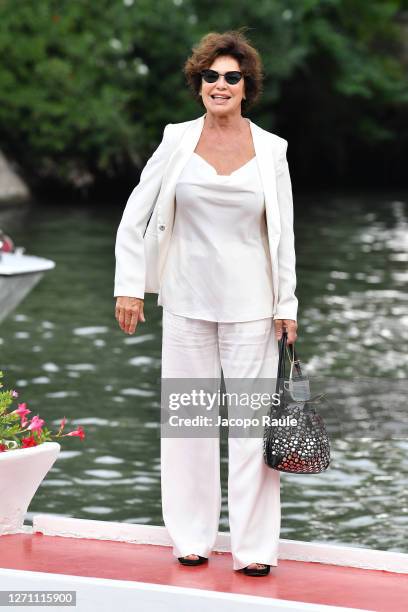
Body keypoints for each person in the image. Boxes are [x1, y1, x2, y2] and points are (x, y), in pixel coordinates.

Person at [114, 30, 298, 577]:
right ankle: (191, 539)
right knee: (188, 426)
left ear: (247, 87)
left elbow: (283, 235)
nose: (220, 85)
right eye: (210, 76)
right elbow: (135, 213)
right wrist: (130, 285)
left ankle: (254, 551)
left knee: (249, 432)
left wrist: (286, 304)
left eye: (231, 77)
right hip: (187, 301)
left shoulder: (271, 150)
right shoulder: (175, 140)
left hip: (253, 308)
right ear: (199, 85)